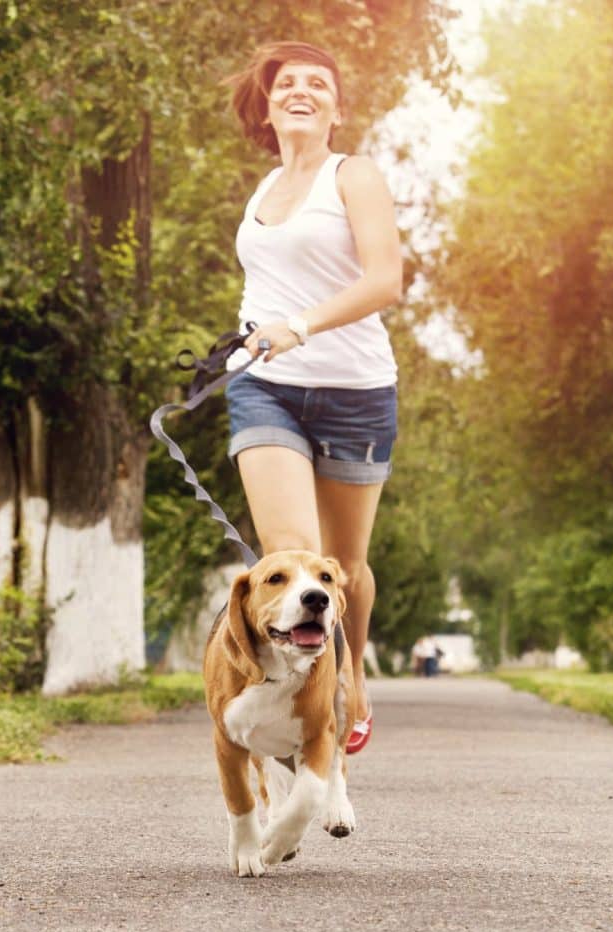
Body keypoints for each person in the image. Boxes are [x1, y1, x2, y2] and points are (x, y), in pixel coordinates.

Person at [222, 41, 402, 754]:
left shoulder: (352, 175)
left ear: (336, 107)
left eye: (316, 84)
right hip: (266, 389)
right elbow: (264, 285)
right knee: (294, 553)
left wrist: (298, 325)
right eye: (286, 84)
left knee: (343, 569)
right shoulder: (263, 188)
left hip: (356, 392)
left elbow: (384, 280)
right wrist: (246, 339)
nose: (300, 91)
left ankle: (351, 673)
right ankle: (306, 705)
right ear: (267, 108)